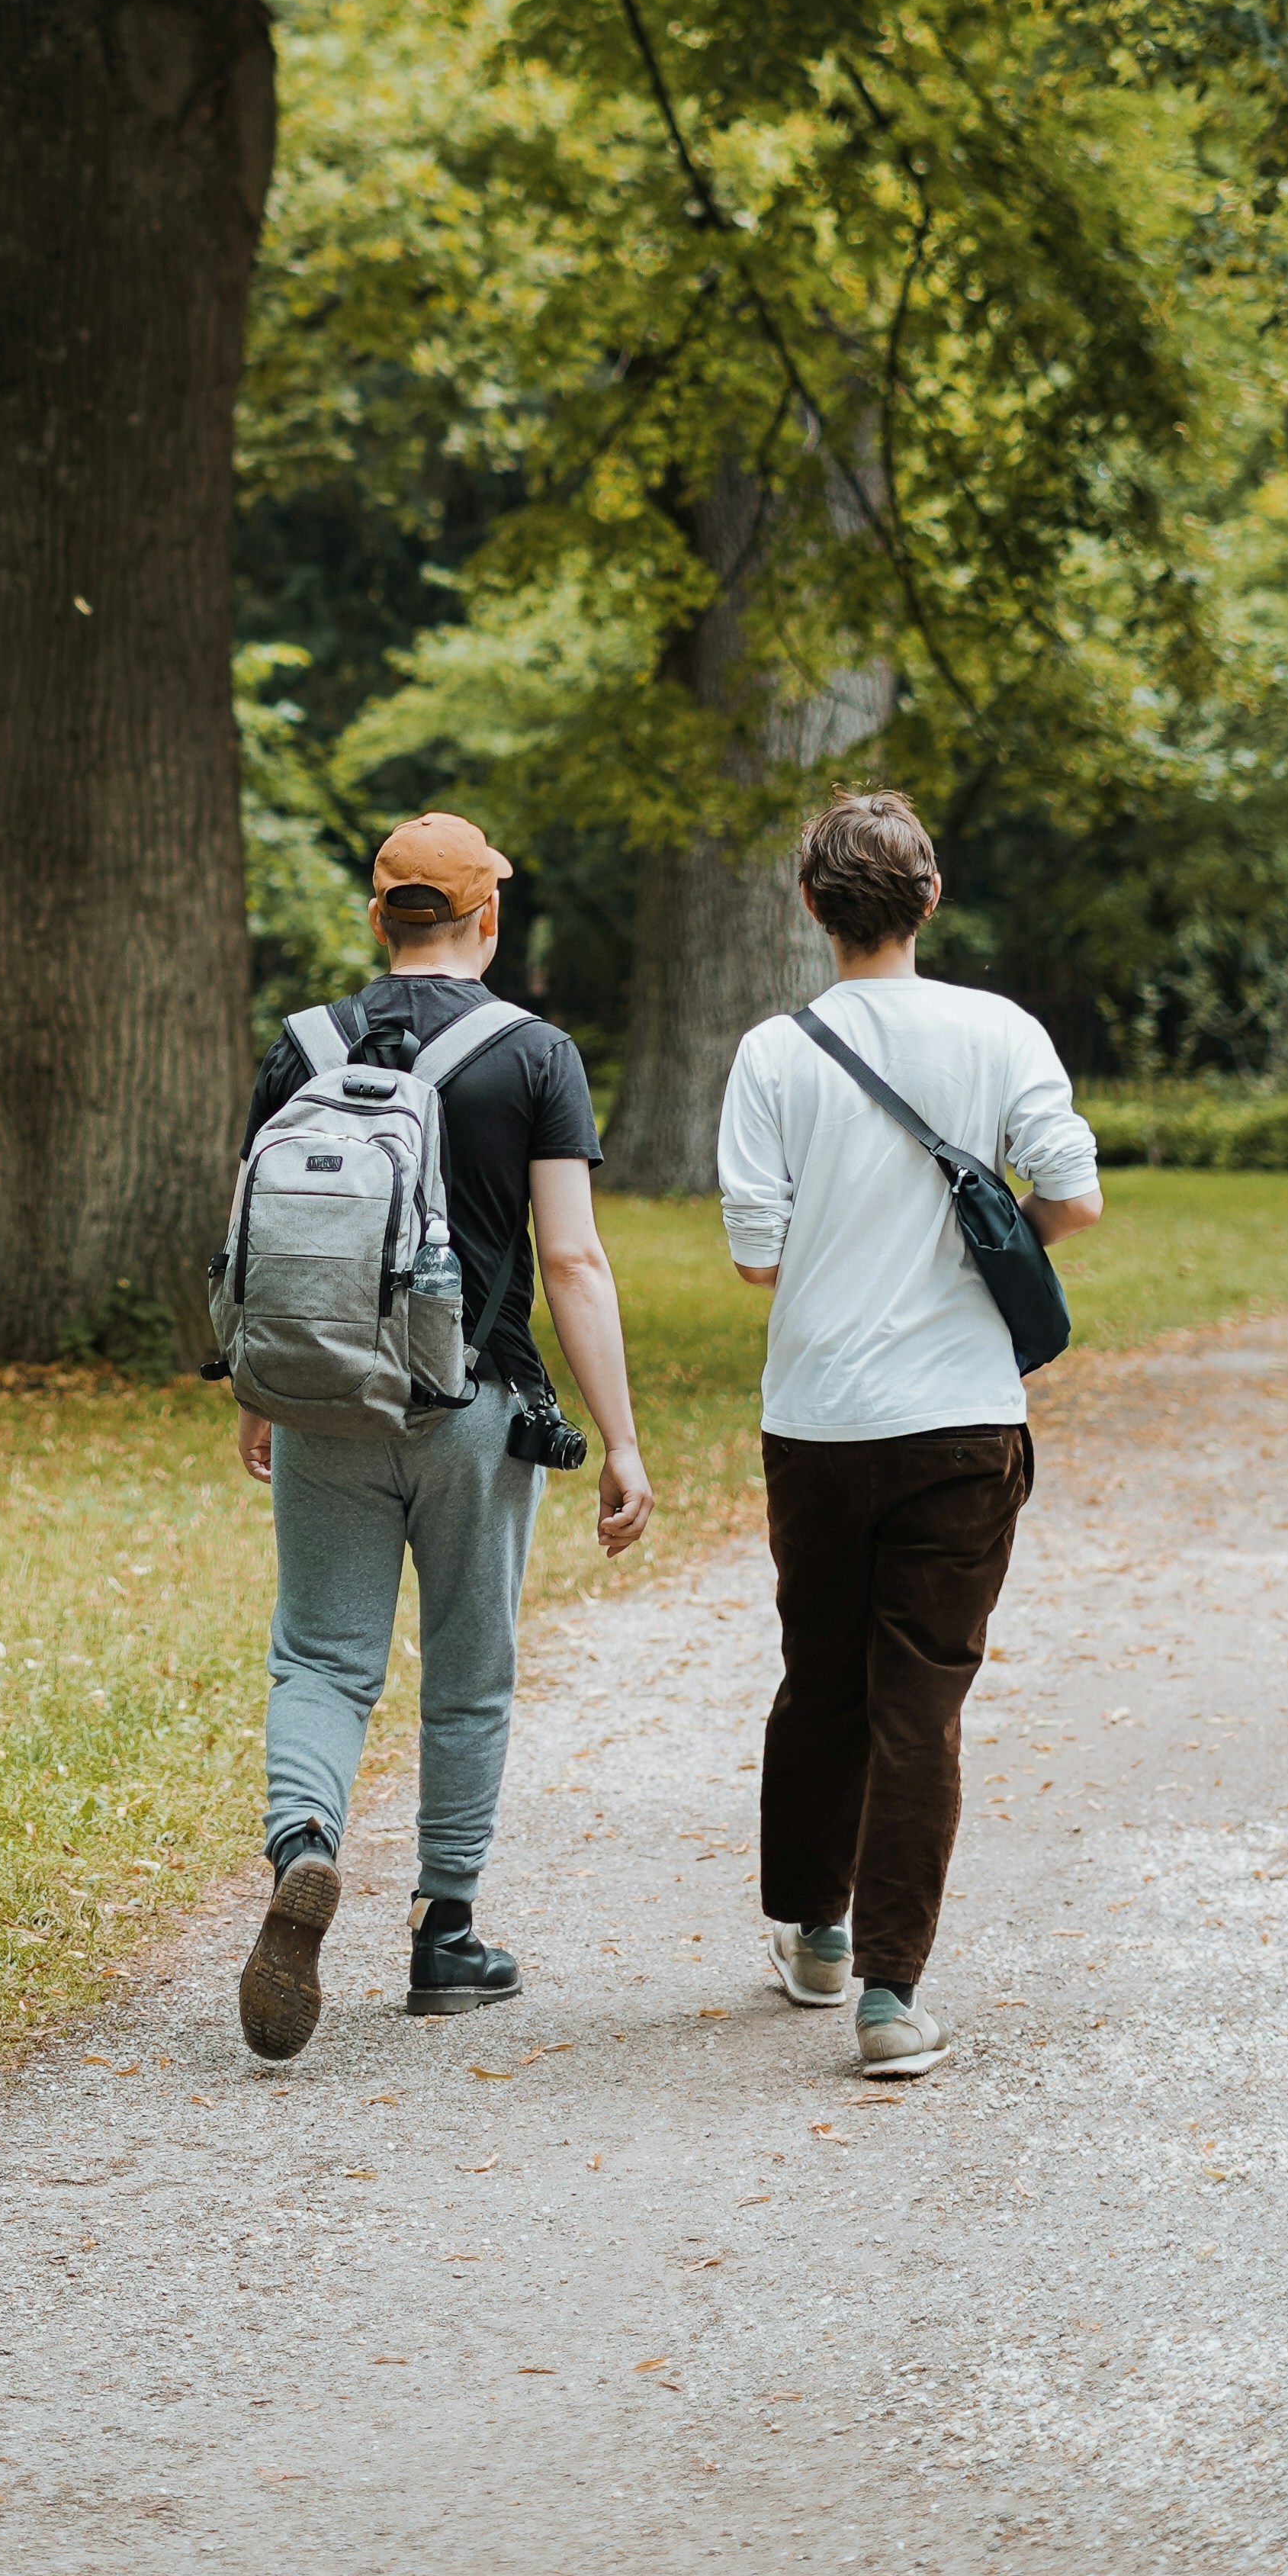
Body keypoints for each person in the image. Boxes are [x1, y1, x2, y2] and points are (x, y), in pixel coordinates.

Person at [233, 809, 654, 2063]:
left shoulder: (301, 1043)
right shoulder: (534, 1055)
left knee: (319, 1658)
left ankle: (306, 1846)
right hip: (470, 1406)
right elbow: (570, 1258)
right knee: (469, 1669)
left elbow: (269, 1247)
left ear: (378, 917)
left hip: (325, 1400)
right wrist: (622, 1441)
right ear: (489, 920)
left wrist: (258, 1392)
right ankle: (444, 1935)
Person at [717, 788, 1102, 2079]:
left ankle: (815, 1936)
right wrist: (987, 1245)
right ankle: (891, 1999)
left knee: (818, 1674)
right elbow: (1076, 1200)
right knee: (919, 1705)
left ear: (813, 907)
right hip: (962, 1422)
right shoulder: (1002, 1032)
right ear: (929, 900)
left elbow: (758, 1258)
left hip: (819, 1419)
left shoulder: (776, 1053)